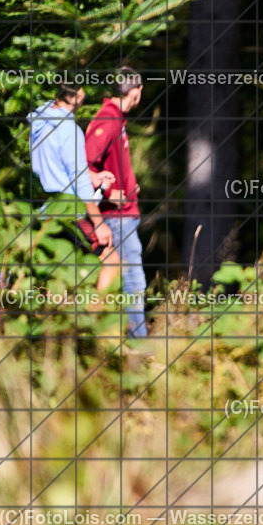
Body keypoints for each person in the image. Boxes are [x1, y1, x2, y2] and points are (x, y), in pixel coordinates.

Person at [28, 84, 119, 291]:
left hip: (43, 211)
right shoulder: (70, 129)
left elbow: (56, 165)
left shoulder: (40, 121)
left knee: (55, 278)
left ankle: (58, 318)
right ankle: (97, 318)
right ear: (77, 95)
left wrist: (92, 176)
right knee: (112, 262)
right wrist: (98, 223)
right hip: (69, 212)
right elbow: (79, 182)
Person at [85, 67, 147, 337]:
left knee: (126, 277)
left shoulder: (116, 119)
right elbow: (81, 169)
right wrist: (109, 195)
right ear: (135, 92)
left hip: (125, 213)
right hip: (116, 216)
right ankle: (138, 342)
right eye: (140, 90)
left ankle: (106, 337)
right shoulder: (107, 121)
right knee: (134, 280)